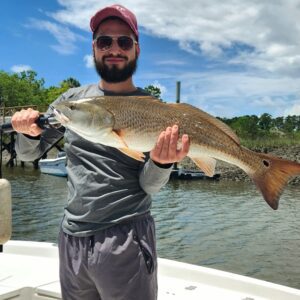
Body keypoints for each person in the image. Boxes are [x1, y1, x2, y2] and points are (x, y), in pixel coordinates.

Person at [12, 4, 190, 300]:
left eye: (124, 41)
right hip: (71, 238)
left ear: (137, 50)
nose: (114, 49)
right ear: (94, 49)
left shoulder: (153, 109)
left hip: (125, 238)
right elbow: (30, 154)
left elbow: (149, 186)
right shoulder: (71, 102)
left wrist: (161, 163)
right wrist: (27, 132)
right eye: (104, 41)